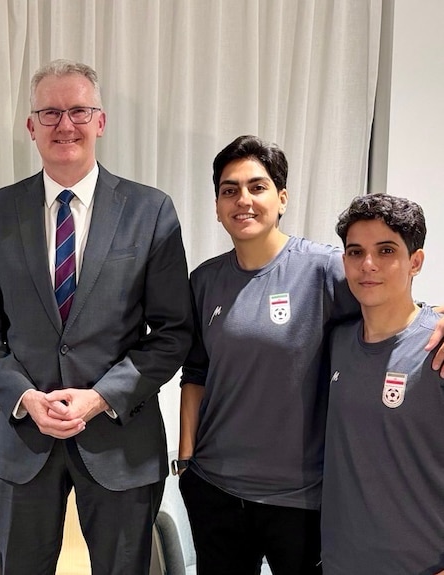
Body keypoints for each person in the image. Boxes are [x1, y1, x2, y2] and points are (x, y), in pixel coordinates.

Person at [0, 59, 193, 575]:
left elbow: (173, 332)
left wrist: (100, 398)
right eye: (50, 113)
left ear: (101, 121)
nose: (65, 125)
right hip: (25, 440)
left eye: (79, 111)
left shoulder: (150, 210)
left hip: (121, 440)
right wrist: (23, 396)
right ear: (31, 126)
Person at [177, 136, 444, 575]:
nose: (243, 199)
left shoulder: (325, 268)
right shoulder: (205, 280)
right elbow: (197, 371)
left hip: (301, 500)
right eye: (230, 190)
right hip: (216, 489)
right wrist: (186, 460)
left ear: (281, 198)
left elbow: (390, 301)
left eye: (257, 187)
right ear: (218, 203)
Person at [322, 194, 444, 573]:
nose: (368, 265)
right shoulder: (335, 341)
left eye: (386, 250)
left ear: (416, 262)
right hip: (341, 564)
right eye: (356, 252)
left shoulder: (437, 348)